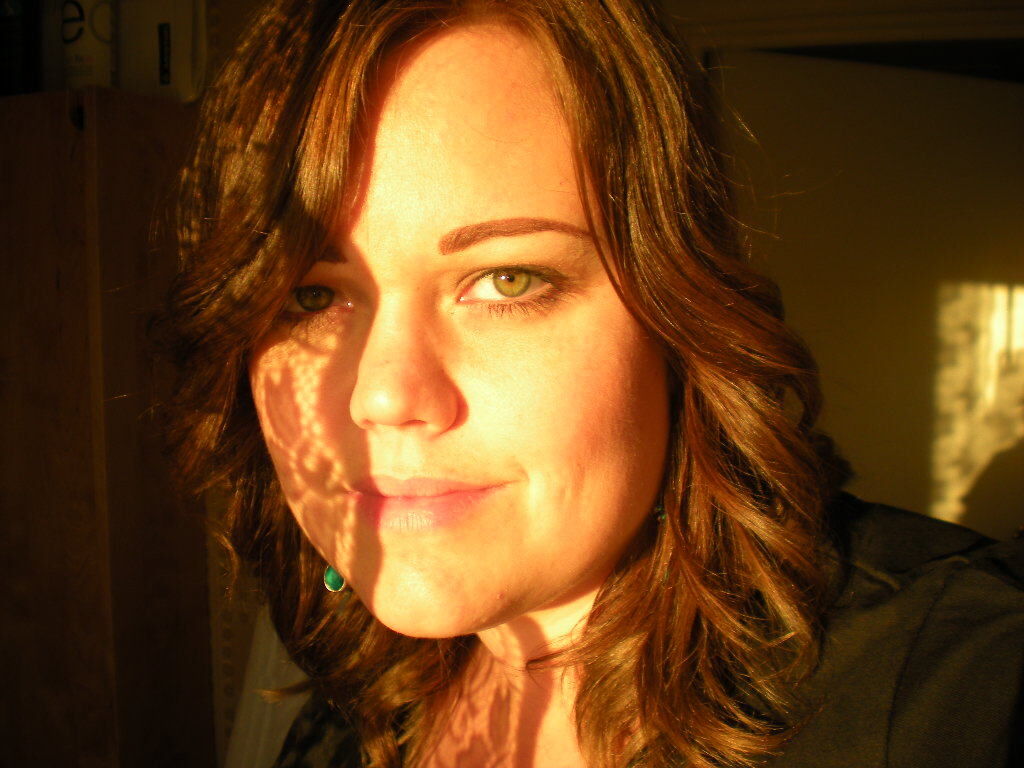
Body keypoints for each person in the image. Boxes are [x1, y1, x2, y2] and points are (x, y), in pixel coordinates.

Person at [159, 1, 1024, 766]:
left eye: (507, 280)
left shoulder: (957, 687)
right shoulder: (357, 690)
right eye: (310, 297)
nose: (383, 397)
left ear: (677, 311)